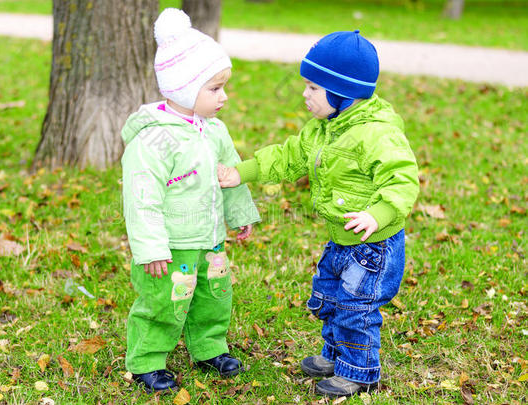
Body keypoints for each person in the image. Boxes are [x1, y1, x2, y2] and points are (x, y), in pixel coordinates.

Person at [218, 30, 419, 397]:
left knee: (355, 307)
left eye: (313, 87)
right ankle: (336, 355)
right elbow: (287, 157)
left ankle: (359, 371)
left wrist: (379, 212)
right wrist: (240, 172)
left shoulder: (377, 134)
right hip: (342, 239)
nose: (304, 95)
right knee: (331, 298)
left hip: (373, 244)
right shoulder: (322, 130)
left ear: (343, 92)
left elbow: (402, 179)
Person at [121, 8, 260, 394]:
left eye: (223, 87)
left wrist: (240, 214)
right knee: (165, 302)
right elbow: (141, 197)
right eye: (214, 89)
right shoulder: (153, 140)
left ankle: (209, 347)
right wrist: (150, 248)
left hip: (210, 239)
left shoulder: (215, 132)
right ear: (183, 88)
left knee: (214, 296)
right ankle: (148, 360)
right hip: (172, 245)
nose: (224, 97)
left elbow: (229, 175)